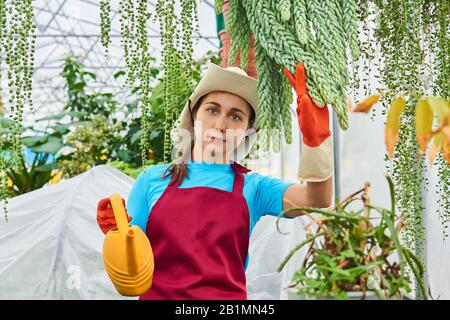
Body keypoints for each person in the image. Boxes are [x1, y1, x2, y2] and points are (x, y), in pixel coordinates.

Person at [97, 62, 333, 300]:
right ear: (194, 113)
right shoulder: (152, 180)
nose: (221, 125)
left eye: (235, 116)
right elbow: (133, 267)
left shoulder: (255, 187)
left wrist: (316, 141)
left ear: (247, 129)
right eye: (212, 110)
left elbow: (318, 198)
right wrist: (117, 233)